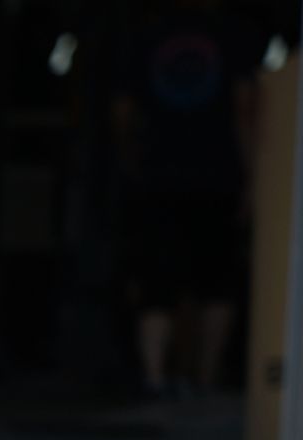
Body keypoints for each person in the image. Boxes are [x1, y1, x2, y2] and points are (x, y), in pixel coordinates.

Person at [113, 0, 264, 397]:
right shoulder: (231, 34)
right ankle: (206, 379)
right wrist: (251, 177)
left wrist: (132, 163)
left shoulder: (147, 35)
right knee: (216, 280)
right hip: (217, 174)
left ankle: (155, 377)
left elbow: (123, 114)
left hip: (158, 174)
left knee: (158, 281)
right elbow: (245, 108)